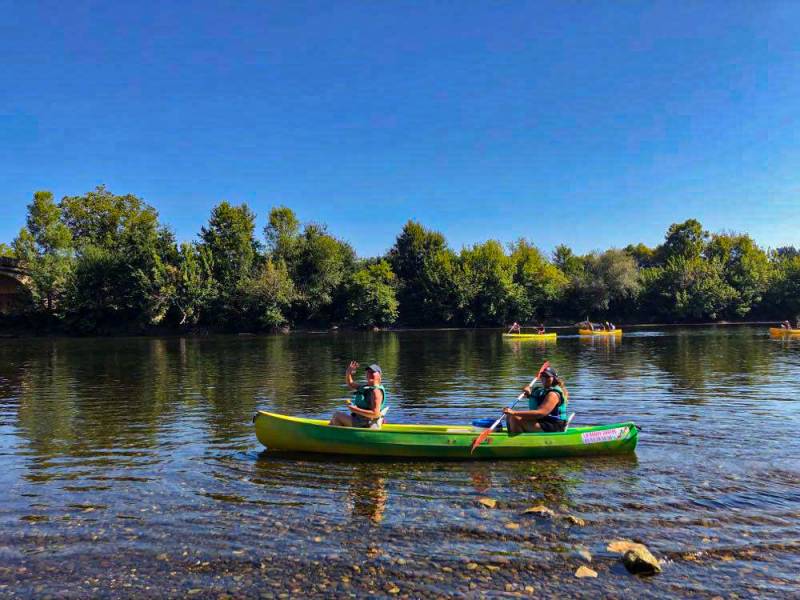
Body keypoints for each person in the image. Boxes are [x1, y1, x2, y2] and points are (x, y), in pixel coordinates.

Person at [503, 366, 568, 433]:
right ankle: (512, 434)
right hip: (543, 421)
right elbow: (540, 400)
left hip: (554, 425)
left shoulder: (553, 394)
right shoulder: (544, 390)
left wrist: (514, 412)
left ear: (554, 378)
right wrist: (529, 394)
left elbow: (541, 413)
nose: (544, 378)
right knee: (509, 416)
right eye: (543, 376)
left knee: (515, 417)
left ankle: (517, 441)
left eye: (548, 376)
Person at [329, 361, 387, 428]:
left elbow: (376, 414)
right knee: (334, 420)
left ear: (379, 375)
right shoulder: (367, 387)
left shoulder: (376, 392)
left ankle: (338, 436)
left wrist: (354, 409)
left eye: (372, 372)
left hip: (365, 423)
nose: (369, 374)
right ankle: (333, 431)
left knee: (337, 416)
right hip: (362, 420)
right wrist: (348, 373)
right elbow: (350, 384)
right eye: (368, 372)